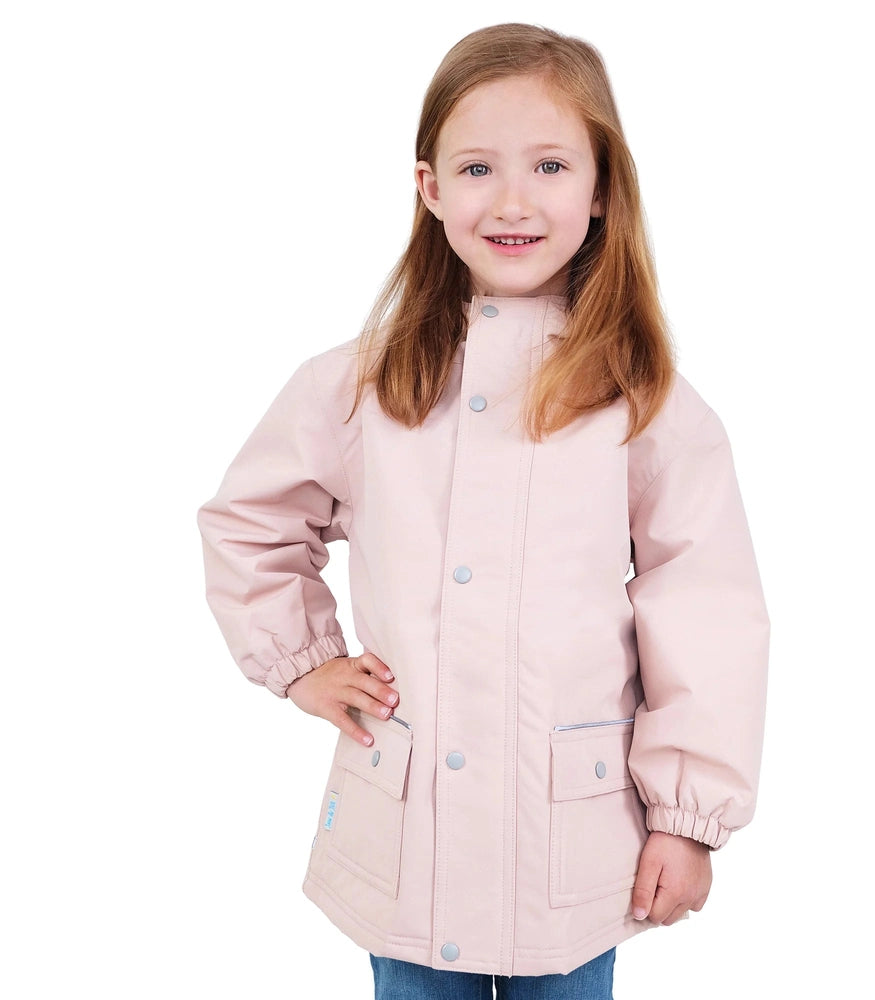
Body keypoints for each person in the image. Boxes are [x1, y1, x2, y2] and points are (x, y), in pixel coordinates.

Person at [197, 22, 769, 1000]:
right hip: (408, 829)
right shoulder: (361, 385)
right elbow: (250, 521)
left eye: (549, 165)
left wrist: (687, 815)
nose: (511, 201)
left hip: (572, 835)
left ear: (601, 188)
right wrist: (301, 662)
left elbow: (707, 609)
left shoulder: (644, 402)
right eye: (476, 168)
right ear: (429, 189)